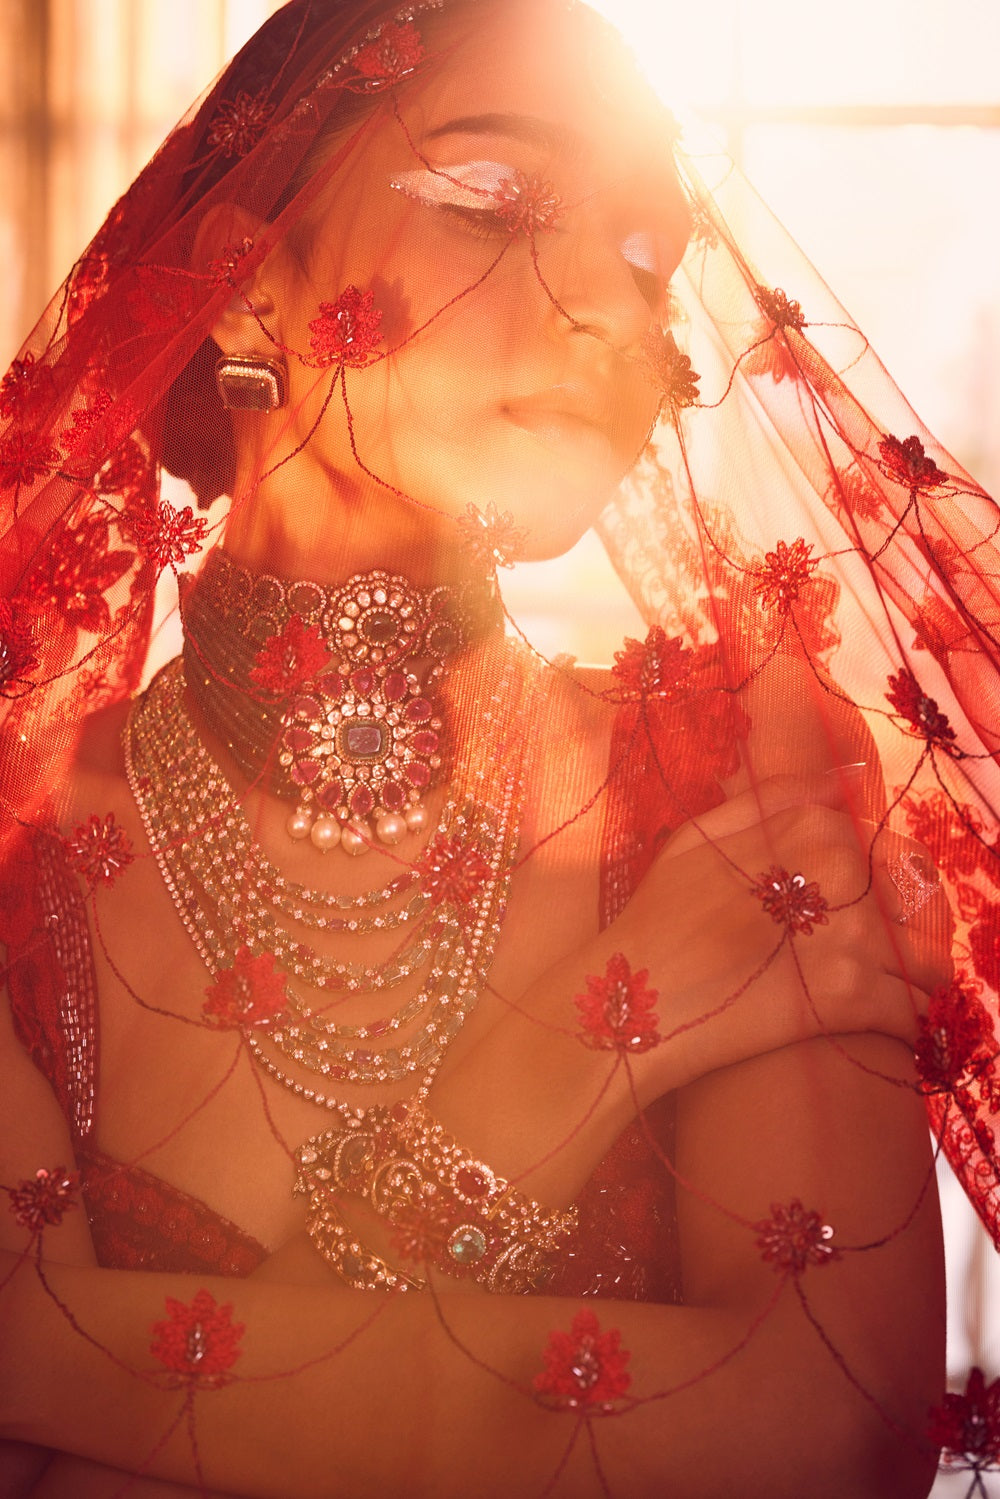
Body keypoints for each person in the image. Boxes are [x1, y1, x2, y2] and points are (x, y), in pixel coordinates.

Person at [0, 0, 996, 1494]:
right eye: (495, 197)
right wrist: (584, 1053)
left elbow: (825, 1442)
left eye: (652, 251)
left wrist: (56, 1357)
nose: (615, 298)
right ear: (242, 279)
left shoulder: (727, 789)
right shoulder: (23, 862)